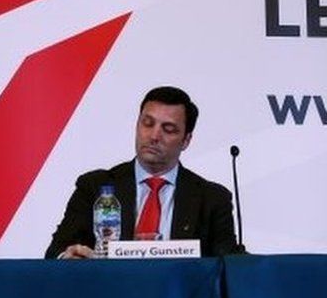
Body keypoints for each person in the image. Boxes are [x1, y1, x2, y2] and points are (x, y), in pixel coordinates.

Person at [45, 86, 238, 258]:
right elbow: (56, 251)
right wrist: (68, 258)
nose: (154, 136)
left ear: (186, 140)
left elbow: (227, 265)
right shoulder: (94, 186)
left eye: (168, 129)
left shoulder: (212, 198)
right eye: (147, 123)